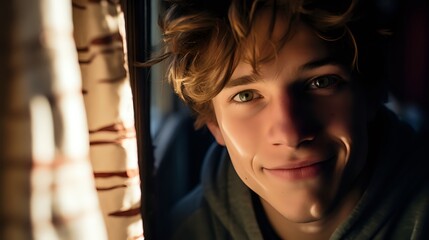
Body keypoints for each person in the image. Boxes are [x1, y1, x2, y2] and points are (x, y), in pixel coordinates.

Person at [143, 0, 429, 239]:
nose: (291, 133)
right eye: (245, 96)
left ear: (371, 92)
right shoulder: (184, 232)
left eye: (321, 82)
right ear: (213, 123)